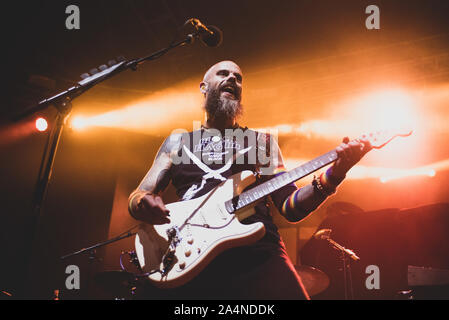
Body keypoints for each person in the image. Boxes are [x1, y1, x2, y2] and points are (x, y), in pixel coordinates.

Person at [128, 60, 371, 300]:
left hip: (255, 251)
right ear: (203, 87)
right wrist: (142, 203)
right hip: (188, 251)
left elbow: (289, 207)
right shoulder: (177, 142)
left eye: (238, 77)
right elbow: (139, 195)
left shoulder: (261, 142)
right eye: (224, 73)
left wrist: (335, 174)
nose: (233, 78)